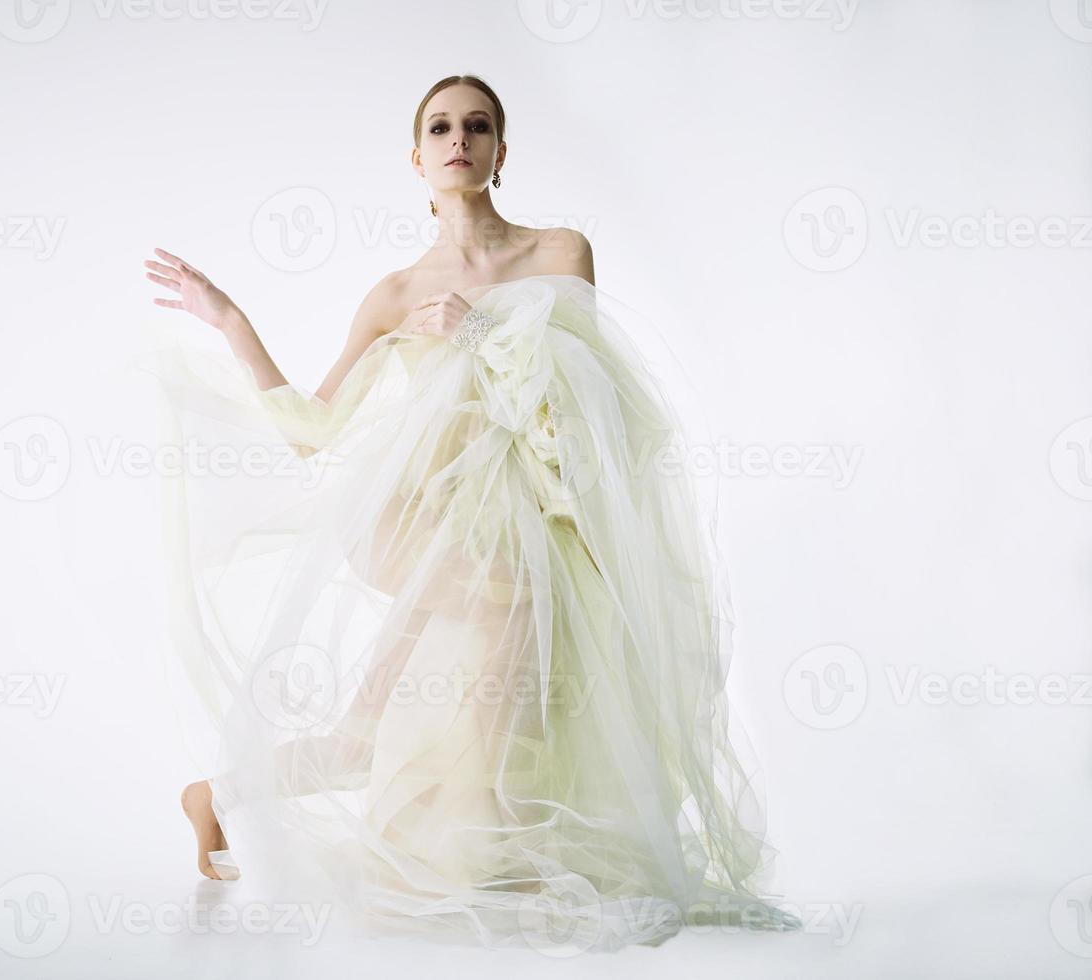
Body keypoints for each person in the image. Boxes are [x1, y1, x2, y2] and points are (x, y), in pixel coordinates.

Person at [136, 73, 800, 952]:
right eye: (441, 128)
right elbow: (313, 432)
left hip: (537, 511)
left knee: (376, 732)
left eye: (478, 127)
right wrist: (230, 321)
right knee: (509, 616)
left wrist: (478, 332)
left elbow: (588, 400)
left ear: (500, 153)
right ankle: (492, 847)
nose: (460, 140)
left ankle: (216, 797)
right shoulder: (394, 291)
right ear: (417, 159)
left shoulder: (561, 254)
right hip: (425, 514)